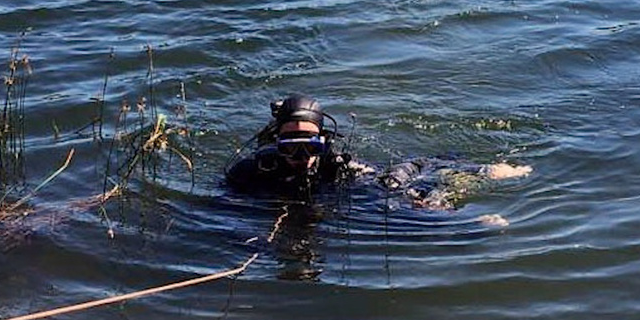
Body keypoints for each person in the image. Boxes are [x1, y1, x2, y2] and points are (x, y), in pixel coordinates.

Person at [224, 95, 532, 208]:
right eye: (291, 148)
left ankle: (481, 169)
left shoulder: (338, 167)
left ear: (324, 142)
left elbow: (392, 182)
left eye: (311, 146)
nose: (302, 157)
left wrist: (423, 202)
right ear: (276, 144)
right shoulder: (251, 172)